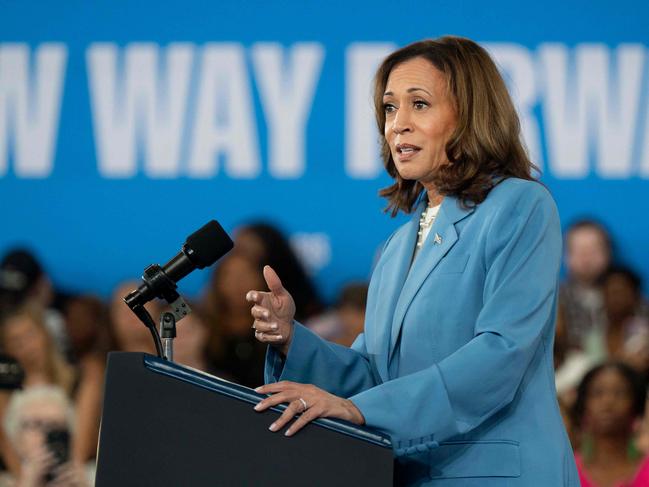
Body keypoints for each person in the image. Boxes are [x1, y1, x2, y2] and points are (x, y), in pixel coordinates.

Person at [247, 37, 578, 485]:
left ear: (469, 115)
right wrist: (292, 340)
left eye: (419, 104)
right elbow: (374, 375)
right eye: (389, 108)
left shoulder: (519, 206)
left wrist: (363, 409)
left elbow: (502, 352)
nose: (397, 125)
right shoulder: (395, 247)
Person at [572, 362, 649, 487]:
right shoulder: (567, 471)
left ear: (636, 405)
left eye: (620, 393)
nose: (608, 402)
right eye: (597, 393)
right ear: (583, 405)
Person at [1, 385, 91, 487]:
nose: (46, 433)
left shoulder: (92, 476)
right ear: (16, 434)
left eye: (55, 426)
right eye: (36, 424)